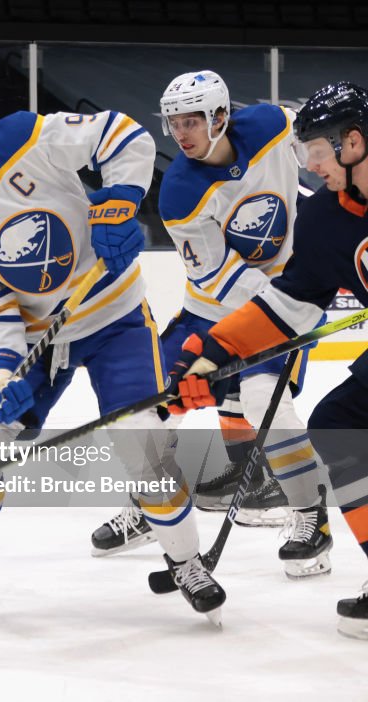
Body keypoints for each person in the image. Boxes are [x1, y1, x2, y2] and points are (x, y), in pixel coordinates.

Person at [0, 85, 225, 622]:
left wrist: (120, 202)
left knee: (141, 442)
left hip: (114, 317)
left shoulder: (21, 136)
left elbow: (120, 135)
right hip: (40, 338)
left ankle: (186, 560)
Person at [90, 70, 330, 581]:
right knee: (151, 406)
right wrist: (289, 298)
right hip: (214, 308)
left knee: (268, 399)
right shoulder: (179, 190)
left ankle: (311, 515)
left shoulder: (267, 124)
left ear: (221, 116)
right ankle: (154, 508)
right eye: (173, 122)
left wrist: (330, 210)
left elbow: (315, 144)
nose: (181, 133)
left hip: (285, 298)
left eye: (192, 120)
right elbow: (221, 277)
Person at [166, 81, 368, 639]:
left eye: (319, 154)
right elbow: (290, 300)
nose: (309, 166)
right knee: (338, 423)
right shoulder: (327, 220)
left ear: (353, 143)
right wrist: (215, 352)